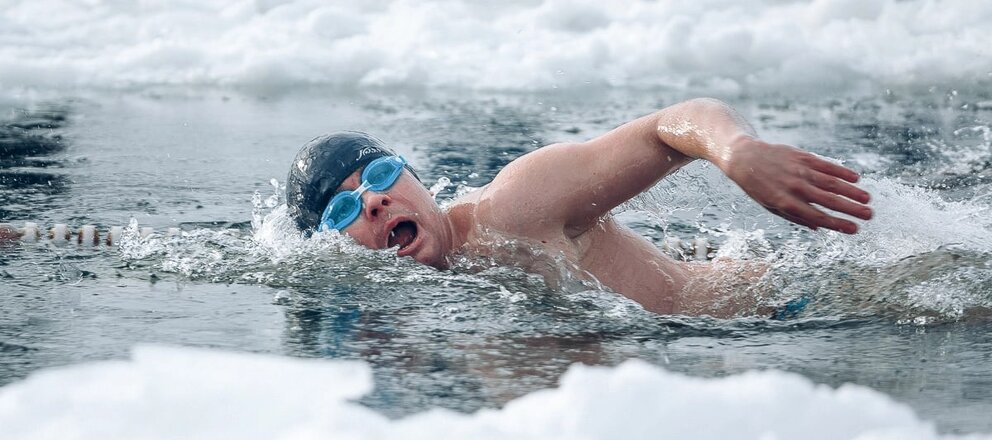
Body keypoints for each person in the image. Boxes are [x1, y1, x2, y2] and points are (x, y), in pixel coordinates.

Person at [286, 98, 872, 317]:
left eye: (383, 175)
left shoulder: (512, 209)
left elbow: (668, 127)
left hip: (766, 307)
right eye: (341, 211)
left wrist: (737, 151)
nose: (374, 200)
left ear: (417, 180)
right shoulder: (399, 308)